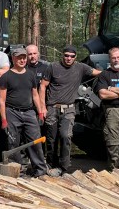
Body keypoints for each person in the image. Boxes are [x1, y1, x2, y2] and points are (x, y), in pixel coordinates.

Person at [42, 45, 100, 175]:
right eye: (66, 55)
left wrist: (113, 71)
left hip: (69, 109)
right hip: (52, 108)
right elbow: (42, 86)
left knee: (65, 135)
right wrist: (42, 107)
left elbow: (98, 73)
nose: (69, 58)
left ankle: (63, 167)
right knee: (51, 138)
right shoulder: (53, 67)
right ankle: (51, 163)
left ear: (75, 57)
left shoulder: (80, 67)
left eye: (72, 56)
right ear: (62, 55)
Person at [0, 45, 48, 177]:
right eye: (19, 57)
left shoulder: (30, 75)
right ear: (13, 58)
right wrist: (3, 120)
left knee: (35, 140)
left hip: (29, 112)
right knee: (13, 142)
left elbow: (35, 95)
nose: (22, 60)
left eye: (24, 57)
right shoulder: (6, 77)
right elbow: (2, 100)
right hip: (12, 112)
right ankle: (16, 172)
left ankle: (40, 170)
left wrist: (40, 112)